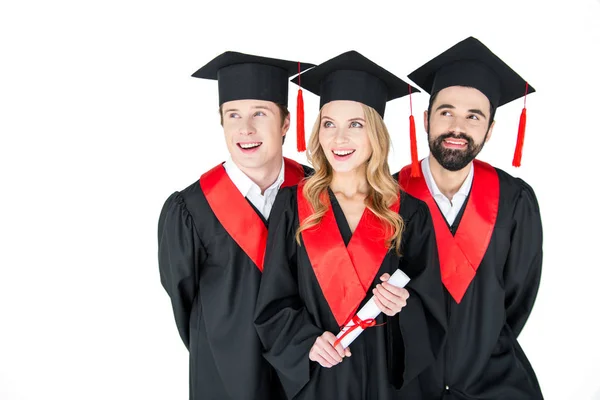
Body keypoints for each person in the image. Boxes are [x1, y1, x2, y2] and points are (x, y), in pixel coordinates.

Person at [254, 51, 446, 400]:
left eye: (355, 124)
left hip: (383, 381)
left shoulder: (409, 213)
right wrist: (306, 342)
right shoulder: (293, 206)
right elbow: (274, 301)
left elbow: (432, 306)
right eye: (329, 124)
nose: (339, 138)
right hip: (319, 378)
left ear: (375, 134)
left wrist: (404, 302)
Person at [157, 51, 315, 400]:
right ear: (221, 121)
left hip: (308, 371)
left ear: (286, 122)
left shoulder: (317, 192)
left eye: (260, 113)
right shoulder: (190, 209)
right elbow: (183, 301)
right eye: (234, 115)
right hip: (225, 377)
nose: (246, 129)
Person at [396, 36, 544, 399]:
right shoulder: (388, 194)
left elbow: (517, 300)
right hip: (406, 385)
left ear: (490, 129)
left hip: (493, 384)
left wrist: (476, 347)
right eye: (446, 112)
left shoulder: (514, 201)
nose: (457, 127)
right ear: (427, 119)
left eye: (473, 116)